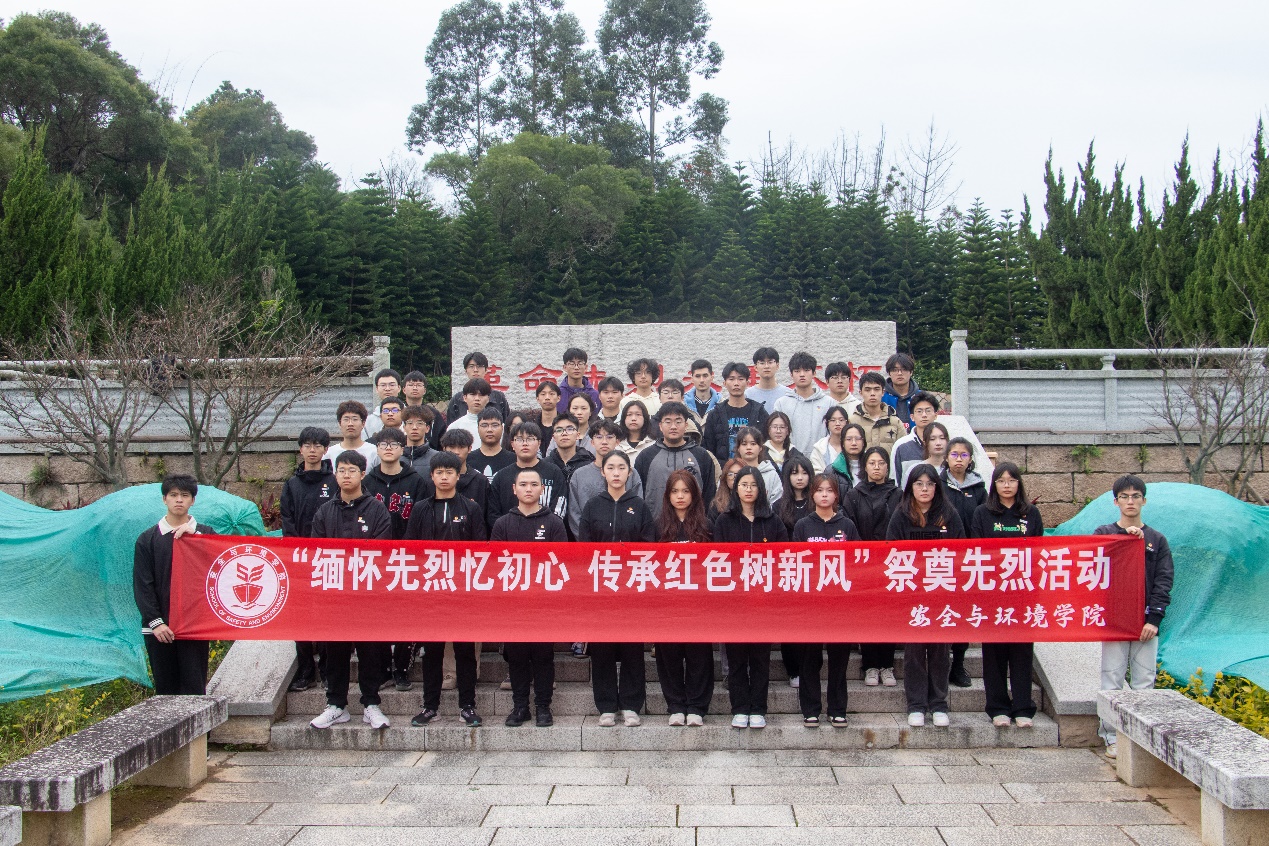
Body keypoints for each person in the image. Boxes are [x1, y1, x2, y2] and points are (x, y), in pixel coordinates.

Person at [402, 451, 487, 729]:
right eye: (439, 472)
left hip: (462, 592)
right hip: (431, 591)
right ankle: (430, 706)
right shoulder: (421, 509)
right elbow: (411, 549)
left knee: (464, 651)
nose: (444, 477)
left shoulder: (471, 508)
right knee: (432, 652)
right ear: (432, 476)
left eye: (449, 472)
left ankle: (467, 706)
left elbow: (480, 549)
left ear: (458, 475)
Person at [309, 450, 393, 729]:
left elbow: (382, 551)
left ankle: (371, 704)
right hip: (335, 596)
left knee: (370, 651)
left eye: (352, 470)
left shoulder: (376, 509)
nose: (346, 475)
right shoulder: (324, 511)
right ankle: (336, 705)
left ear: (363, 474)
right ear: (335, 474)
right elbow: (317, 551)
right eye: (341, 470)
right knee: (335, 652)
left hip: (368, 596)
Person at [1094, 474, 1174, 759]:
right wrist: (1123, 541)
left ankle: (1142, 739)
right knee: (1111, 679)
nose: (1130, 501)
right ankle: (1111, 736)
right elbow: (1094, 563)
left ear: (1144, 501)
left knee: (1144, 682)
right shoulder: (1104, 532)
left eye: (1136, 496)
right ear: (1115, 502)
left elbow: (1164, 581)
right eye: (1124, 497)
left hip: (1145, 623)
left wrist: (1154, 620)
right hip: (1115, 621)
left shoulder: (1157, 540)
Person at [578, 451, 656, 727]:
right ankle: (607, 706)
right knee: (603, 648)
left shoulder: (639, 506)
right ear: (603, 472)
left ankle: (632, 705)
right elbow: (584, 546)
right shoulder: (592, 506)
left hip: (631, 588)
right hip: (601, 589)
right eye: (610, 467)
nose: (615, 472)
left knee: (632, 648)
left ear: (629, 472)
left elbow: (648, 544)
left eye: (621, 467)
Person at [887, 463, 966, 728]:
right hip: (912, 594)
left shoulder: (949, 515)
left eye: (929, 484)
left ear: (936, 487)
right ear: (911, 487)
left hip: (941, 593)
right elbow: (891, 553)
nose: (924, 489)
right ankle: (916, 705)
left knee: (941, 650)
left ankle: (939, 704)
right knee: (915, 651)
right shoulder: (900, 516)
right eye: (919, 484)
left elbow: (960, 553)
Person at [491, 466, 569, 727]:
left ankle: (543, 706)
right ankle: (520, 706)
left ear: (542, 489)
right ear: (514, 489)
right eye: (523, 484)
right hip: (513, 605)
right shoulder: (503, 523)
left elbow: (560, 563)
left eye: (534, 484)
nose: (528, 489)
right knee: (517, 657)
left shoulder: (554, 523)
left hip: (544, 604)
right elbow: (495, 564)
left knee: (543, 657)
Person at [969, 462, 1044, 728]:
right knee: (994, 654)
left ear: (1019, 484)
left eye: (1012, 480)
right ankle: (998, 707)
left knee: (1021, 652)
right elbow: (977, 552)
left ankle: (1023, 707)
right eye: (1001, 480)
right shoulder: (982, 513)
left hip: (1022, 594)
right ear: (994, 485)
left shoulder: (1031, 513)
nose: (1007, 485)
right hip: (993, 594)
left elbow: (1039, 553)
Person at [714, 466, 788, 728]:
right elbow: (719, 561)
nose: (748, 489)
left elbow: (783, 560)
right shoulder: (724, 521)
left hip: (763, 603)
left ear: (761, 489)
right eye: (743, 484)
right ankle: (739, 708)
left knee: (760, 659)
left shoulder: (773, 521)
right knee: (735, 659)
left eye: (753, 485)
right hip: (734, 603)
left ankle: (758, 708)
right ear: (736, 488)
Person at [361, 426, 432, 691]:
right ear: (377, 449)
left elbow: (423, 516)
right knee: (377, 616)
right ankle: (382, 669)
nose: (389, 448)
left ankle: (402, 669)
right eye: (383, 444)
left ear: (402, 449)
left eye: (394, 444)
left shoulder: (416, 481)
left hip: (408, 558)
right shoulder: (367, 482)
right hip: (374, 559)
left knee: (407, 615)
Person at [133, 474, 216, 695]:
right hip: (160, 630)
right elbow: (143, 585)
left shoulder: (207, 534)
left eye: (185, 495)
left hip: (194, 627)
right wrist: (156, 622)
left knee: (194, 691)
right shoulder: (147, 539)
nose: (179, 500)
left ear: (193, 501)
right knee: (166, 692)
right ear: (164, 499)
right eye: (173, 495)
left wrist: (196, 538)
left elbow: (219, 567)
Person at [793, 474, 861, 727]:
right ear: (812, 494)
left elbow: (858, 561)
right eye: (819, 490)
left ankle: (837, 708)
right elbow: (795, 562)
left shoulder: (848, 525)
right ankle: (810, 709)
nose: (824, 494)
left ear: (836, 495)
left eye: (829, 490)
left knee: (839, 660)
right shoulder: (802, 526)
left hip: (840, 604)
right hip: (811, 604)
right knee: (810, 659)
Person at [654, 469, 715, 726]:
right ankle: (676, 705)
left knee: (699, 656)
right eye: (675, 491)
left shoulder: (707, 526)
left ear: (695, 495)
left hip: (698, 604)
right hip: (667, 604)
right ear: (667, 496)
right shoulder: (658, 526)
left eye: (685, 491)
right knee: (668, 655)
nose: (680, 496)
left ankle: (697, 707)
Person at [282, 427, 336, 692]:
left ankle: (326, 670)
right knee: (301, 616)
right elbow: (287, 520)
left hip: (327, 559)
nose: (312, 450)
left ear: (326, 449)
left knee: (326, 616)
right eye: (307, 445)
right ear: (300, 449)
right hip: (300, 560)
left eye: (318, 445)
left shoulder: (335, 481)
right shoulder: (291, 484)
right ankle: (305, 671)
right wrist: (297, 553)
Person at [846, 446, 902, 689]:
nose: (876, 467)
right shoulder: (854, 495)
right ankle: (869, 664)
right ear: (865, 467)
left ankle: (886, 665)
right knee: (868, 614)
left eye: (881, 463)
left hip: (891, 563)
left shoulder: (898, 495)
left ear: (888, 466)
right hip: (864, 564)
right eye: (872, 463)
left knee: (888, 615)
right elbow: (850, 527)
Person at [941, 435, 986, 690]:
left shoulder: (978, 488)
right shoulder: (937, 484)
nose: (959, 459)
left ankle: (958, 664)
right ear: (946, 457)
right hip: (942, 559)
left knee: (961, 614)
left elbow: (984, 519)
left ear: (970, 459)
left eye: (964, 455)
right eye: (954, 454)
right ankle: (940, 664)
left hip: (969, 560)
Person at [634, 401, 717, 521]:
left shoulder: (701, 456)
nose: (673, 426)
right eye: (668, 422)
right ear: (660, 426)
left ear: (686, 425)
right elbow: (638, 494)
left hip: (694, 525)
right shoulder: (646, 456)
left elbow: (709, 494)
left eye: (678, 421)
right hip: (656, 525)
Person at [775, 453, 815, 691]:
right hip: (787, 572)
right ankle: (793, 669)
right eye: (794, 473)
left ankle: (809, 668)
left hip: (813, 573)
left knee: (810, 623)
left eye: (804, 472)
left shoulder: (817, 502)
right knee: (789, 623)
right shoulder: (778, 506)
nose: (799, 478)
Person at [568, 419, 643, 539]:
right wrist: (586, 542)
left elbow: (639, 510)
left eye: (609, 437)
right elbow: (574, 513)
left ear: (617, 441)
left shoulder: (631, 473)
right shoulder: (579, 475)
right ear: (592, 442)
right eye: (599, 437)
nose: (604, 442)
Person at [488, 421, 568, 531]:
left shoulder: (554, 472)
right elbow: (493, 513)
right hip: (510, 535)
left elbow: (559, 508)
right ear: (512, 444)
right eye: (519, 439)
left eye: (530, 439)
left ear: (539, 443)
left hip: (545, 534)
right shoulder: (501, 477)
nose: (525, 444)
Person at [702, 362, 769, 466]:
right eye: (731, 379)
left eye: (740, 379)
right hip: (725, 471)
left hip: (753, 470)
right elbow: (709, 448)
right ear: (724, 383)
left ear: (747, 382)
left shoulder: (759, 412)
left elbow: (766, 444)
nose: (736, 383)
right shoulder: (715, 414)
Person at [774, 352, 835, 456]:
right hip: (790, 460)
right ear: (791, 375)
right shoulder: (781, 404)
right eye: (797, 371)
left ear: (814, 373)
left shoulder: (828, 403)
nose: (802, 374)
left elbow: (833, 435)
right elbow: (776, 435)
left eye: (806, 370)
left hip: (820, 460)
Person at [889, 392, 941, 487]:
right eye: (919, 411)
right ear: (912, 417)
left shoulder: (943, 444)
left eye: (928, 411)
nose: (924, 415)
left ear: (936, 415)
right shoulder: (901, 446)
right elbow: (895, 480)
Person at [446, 352, 511, 423]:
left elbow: (506, 425)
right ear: (466, 371)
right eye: (471, 366)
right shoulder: (457, 400)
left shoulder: (499, 398)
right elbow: (451, 426)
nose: (475, 370)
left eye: (479, 366)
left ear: (486, 370)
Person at [848, 371, 904, 451]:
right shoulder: (853, 421)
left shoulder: (895, 421)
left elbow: (904, 450)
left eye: (876, 389)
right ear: (861, 393)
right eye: (867, 390)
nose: (872, 394)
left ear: (883, 392)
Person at [733, 425, 782, 504]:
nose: (749, 447)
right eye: (744, 444)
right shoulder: (731, 472)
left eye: (753, 444)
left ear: (760, 448)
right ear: (738, 448)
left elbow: (777, 502)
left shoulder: (771, 474)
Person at [547, 412, 595, 491]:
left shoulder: (588, 464)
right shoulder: (546, 465)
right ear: (554, 437)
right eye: (559, 430)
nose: (564, 433)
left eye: (569, 429)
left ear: (578, 435)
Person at [324, 401, 378, 470]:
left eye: (355, 419)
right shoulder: (329, 453)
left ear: (363, 423)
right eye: (346, 419)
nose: (350, 424)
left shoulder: (374, 452)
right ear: (340, 424)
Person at [403, 370, 449, 451]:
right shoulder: (399, 411)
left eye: (419, 385)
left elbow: (441, 439)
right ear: (404, 390)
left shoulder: (433, 414)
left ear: (424, 390)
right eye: (411, 385)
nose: (414, 388)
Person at [467, 407, 514, 483]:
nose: (489, 430)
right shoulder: (467, 460)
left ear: (502, 428)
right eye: (484, 425)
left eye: (495, 425)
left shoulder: (514, 460)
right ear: (478, 428)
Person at [746, 347, 793, 413]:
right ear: (755, 367)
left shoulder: (788, 394)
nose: (766, 366)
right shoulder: (747, 395)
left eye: (770, 362)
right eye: (762, 363)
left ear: (777, 366)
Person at [882, 353, 921, 431]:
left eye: (904, 369)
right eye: (895, 370)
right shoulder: (881, 397)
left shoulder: (921, 397)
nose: (899, 373)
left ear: (911, 372)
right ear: (889, 373)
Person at [557, 347, 600, 414]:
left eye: (580, 363)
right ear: (565, 367)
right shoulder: (558, 394)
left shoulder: (594, 395)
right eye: (572, 364)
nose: (576, 368)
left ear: (585, 367)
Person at [362, 368, 402, 439]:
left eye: (392, 385)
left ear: (399, 388)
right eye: (383, 385)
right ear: (377, 389)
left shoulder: (409, 416)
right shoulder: (368, 421)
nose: (387, 389)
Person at [809, 405, 851, 473]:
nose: (837, 423)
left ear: (847, 422)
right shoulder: (819, 448)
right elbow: (816, 472)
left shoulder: (854, 445)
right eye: (833, 420)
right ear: (827, 423)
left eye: (841, 420)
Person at [829, 422, 868, 494]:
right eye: (849, 439)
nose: (854, 443)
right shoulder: (832, 470)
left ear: (863, 442)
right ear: (842, 443)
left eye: (858, 439)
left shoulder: (873, 467)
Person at [401, 405, 436, 472]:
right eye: (410, 423)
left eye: (419, 423)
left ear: (427, 428)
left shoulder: (436, 457)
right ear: (404, 428)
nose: (414, 427)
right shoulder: (395, 457)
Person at [710, 458, 745, 522]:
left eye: (739, 474)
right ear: (725, 478)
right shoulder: (717, 505)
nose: (735, 477)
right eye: (730, 474)